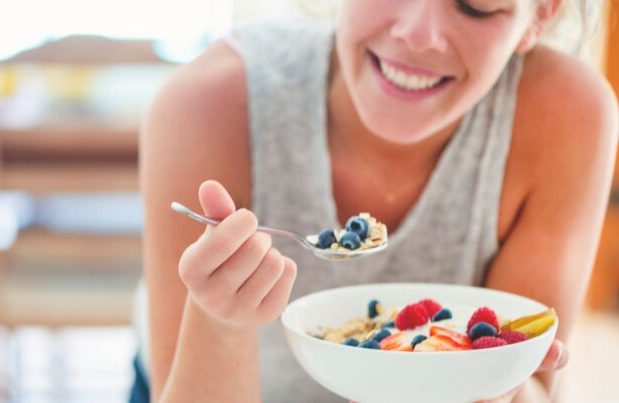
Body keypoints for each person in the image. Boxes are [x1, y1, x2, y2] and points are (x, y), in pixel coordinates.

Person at [133, 0, 619, 402]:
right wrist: (220, 327)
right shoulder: (209, 104)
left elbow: (533, 381)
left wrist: (504, 389)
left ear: (541, 15)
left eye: (475, 6)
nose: (418, 33)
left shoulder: (568, 117)